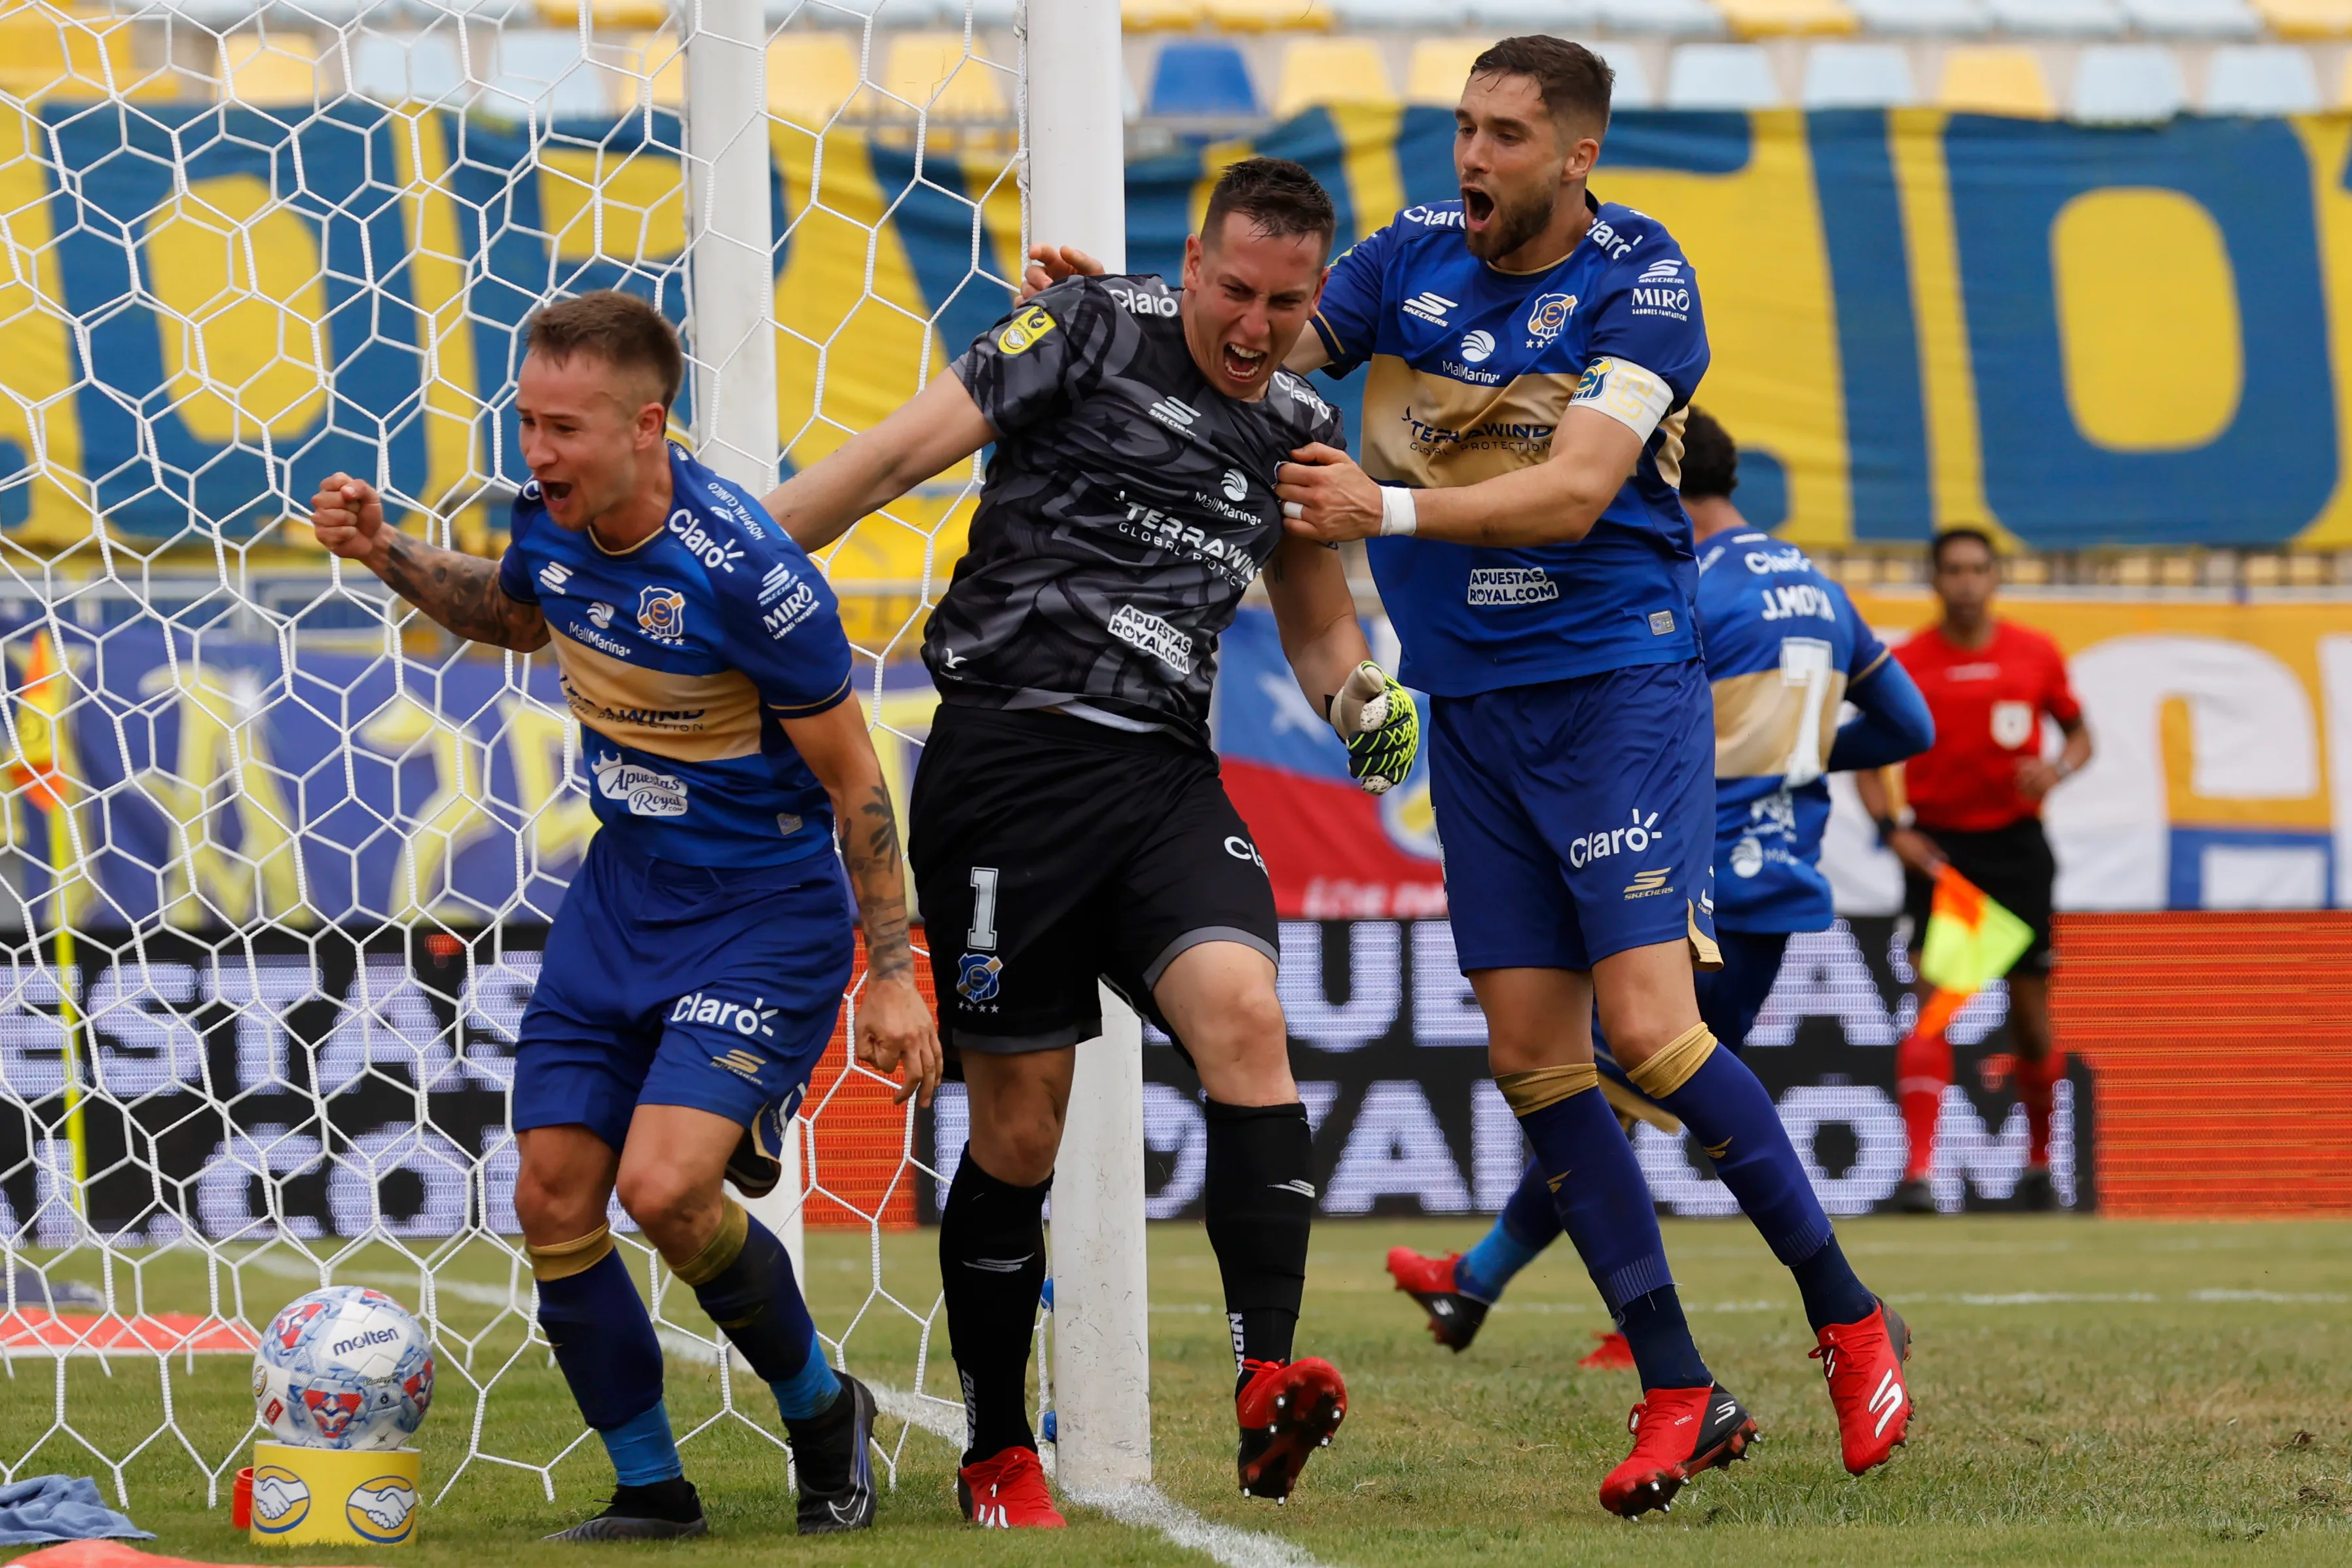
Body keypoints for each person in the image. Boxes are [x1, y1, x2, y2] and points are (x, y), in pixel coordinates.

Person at [1259, 36, 1920, 1512]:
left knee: (1649, 1031)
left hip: (1614, 688)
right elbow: (1266, 347)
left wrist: (1388, 508)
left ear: (1576, 156)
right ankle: (1676, 1387)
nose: (1471, 158)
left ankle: (1846, 1315)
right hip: (1469, 714)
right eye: (1461, 127)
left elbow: (1567, 497)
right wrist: (1116, 308)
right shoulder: (1404, 255)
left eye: (1504, 134)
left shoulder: (1642, 279)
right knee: (1532, 1061)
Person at [753, 158, 1420, 1526]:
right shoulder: (1080, 326)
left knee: (1244, 1015)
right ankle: (997, 1444)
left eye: (1286, 304)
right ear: (1191, 261)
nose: (1254, 325)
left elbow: (1313, 620)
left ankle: (1263, 1377)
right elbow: (889, 459)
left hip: (1164, 776)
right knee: (1020, 1124)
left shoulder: (1296, 424)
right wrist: (729, 570)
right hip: (1007, 762)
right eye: (1234, 291)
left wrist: (1361, 697)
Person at [307, 290, 940, 1542]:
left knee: (663, 1191)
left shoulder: (754, 578)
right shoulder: (552, 522)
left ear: (647, 426)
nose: (537, 453)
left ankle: (824, 1413)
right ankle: (653, 1493)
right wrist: (385, 550)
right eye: (526, 422)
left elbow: (858, 782)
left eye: (564, 429)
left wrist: (890, 972)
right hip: (617, 900)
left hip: (762, 912)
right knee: (550, 1197)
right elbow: (515, 611)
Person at [1384, 409, 1935, 1367]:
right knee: (1626, 1088)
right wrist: (1798, 760)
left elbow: (1643, 724)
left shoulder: (1683, 586)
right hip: (1779, 885)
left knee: (1595, 1081)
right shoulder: (1811, 582)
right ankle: (1482, 1282)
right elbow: (1906, 722)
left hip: (1692, 873)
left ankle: (1831, 1310)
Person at [1854, 527, 2091, 1214]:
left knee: (2029, 1018)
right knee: (1935, 1006)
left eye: (1977, 569)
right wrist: (1890, 830)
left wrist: (2057, 768)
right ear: (1934, 579)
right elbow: (1865, 760)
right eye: (1953, 569)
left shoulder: (2034, 654)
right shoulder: (1905, 663)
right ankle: (1919, 1173)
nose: (1966, 581)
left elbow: (2080, 735)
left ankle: (2041, 1166)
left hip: (2016, 849)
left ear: (1994, 578)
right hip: (1942, 855)